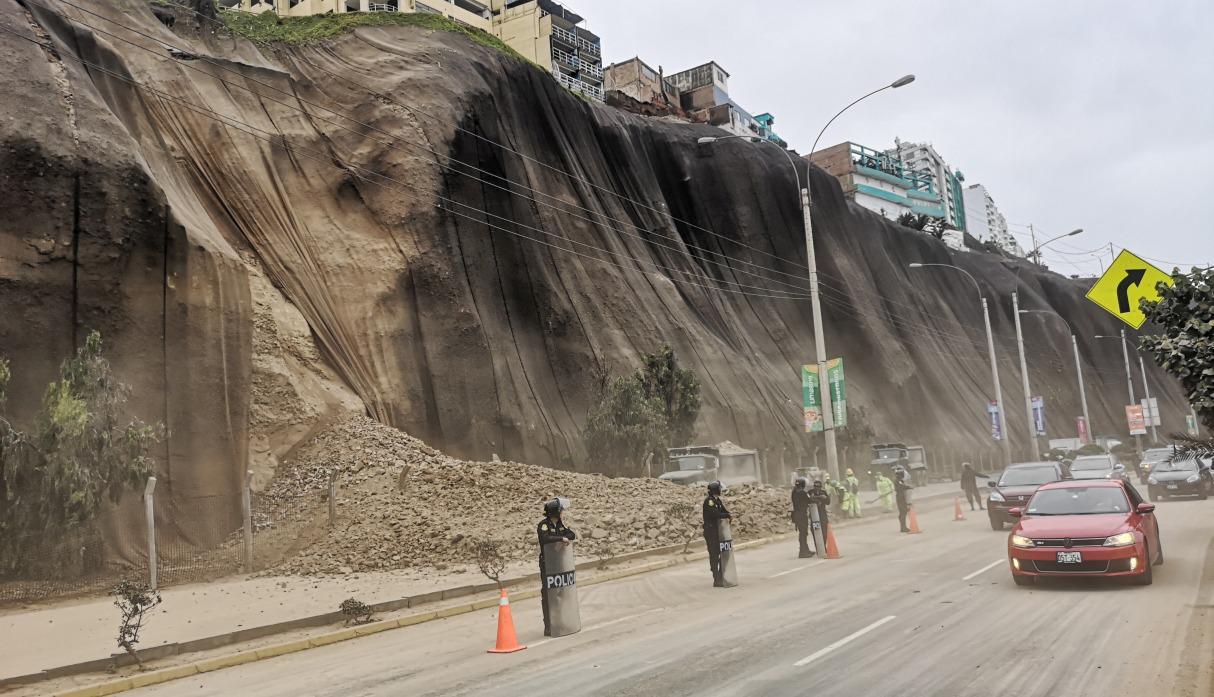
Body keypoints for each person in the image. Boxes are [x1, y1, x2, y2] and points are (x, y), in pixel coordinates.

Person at [537, 498, 576, 636]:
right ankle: (549, 626)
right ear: (555, 512)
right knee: (548, 595)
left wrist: (565, 537)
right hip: (548, 564)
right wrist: (561, 539)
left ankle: (559, 622)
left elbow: (571, 534)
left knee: (560, 593)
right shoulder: (544, 525)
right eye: (561, 511)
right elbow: (544, 539)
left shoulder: (559, 525)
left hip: (559, 563)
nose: (562, 513)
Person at [702, 480, 732, 587]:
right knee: (715, 555)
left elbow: (724, 511)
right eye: (719, 488)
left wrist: (728, 514)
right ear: (715, 490)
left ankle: (722, 575)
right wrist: (726, 515)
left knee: (725, 554)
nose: (720, 490)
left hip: (720, 531)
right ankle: (717, 579)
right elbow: (715, 514)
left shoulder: (717, 501)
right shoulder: (709, 501)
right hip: (711, 533)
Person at [791, 478, 815, 558]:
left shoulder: (794, 492)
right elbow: (809, 501)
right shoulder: (802, 493)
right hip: (801, 515)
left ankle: (805, 549)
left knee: (802, 533)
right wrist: (812, 496)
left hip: (796, 515)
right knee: (803, 533)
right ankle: (803, 552)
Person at [807, 479, 831, 545]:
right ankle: (818, 547)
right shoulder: (810, 492)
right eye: (815, 486)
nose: (817, 488)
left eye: (818, 487)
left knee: (824, 532)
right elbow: (807, 501)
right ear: (813, 486)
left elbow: (828, 502)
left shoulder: (823, 492)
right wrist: (812, 498)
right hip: (814, 517)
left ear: (820, 487)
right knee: (816, 532)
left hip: (822, 515)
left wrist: (825, 498)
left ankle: (823, 546)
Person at [893, 466, 913, 533]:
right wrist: (908, 487)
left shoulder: (899, 480)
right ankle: (903, 527)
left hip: (901, 497)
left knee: (903, 512)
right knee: (903, 513)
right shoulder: (898, 480)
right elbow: (901, 487)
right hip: (901, 498)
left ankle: (903, 527)